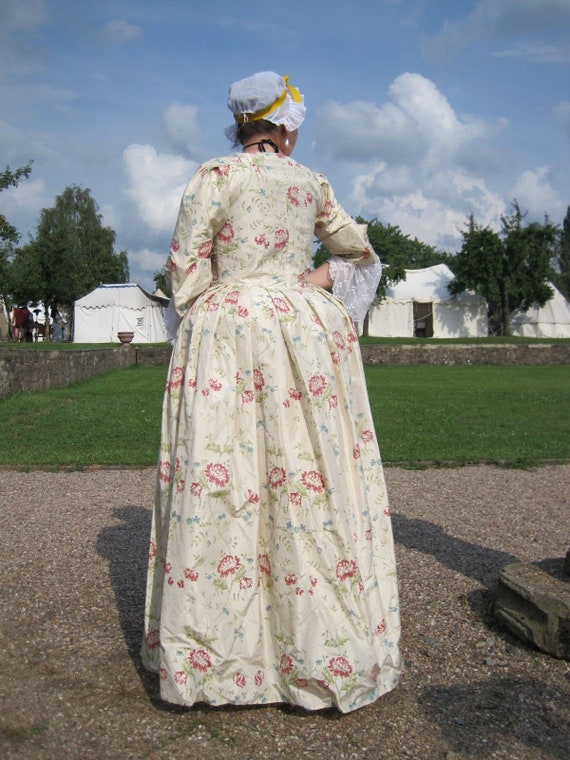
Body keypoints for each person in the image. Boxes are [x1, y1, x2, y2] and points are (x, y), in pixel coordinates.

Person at [142, 72, 401, 713]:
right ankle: (317, 645)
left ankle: (218, 655)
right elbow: (359, 252)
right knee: (306, 469)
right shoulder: (311, 182)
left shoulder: (214, 176)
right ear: (284, 126)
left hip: (228, 330)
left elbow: (185, 268)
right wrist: (306, 282)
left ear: (243, 126)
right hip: (302, 329)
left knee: (225, 471)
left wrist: (211, 309)